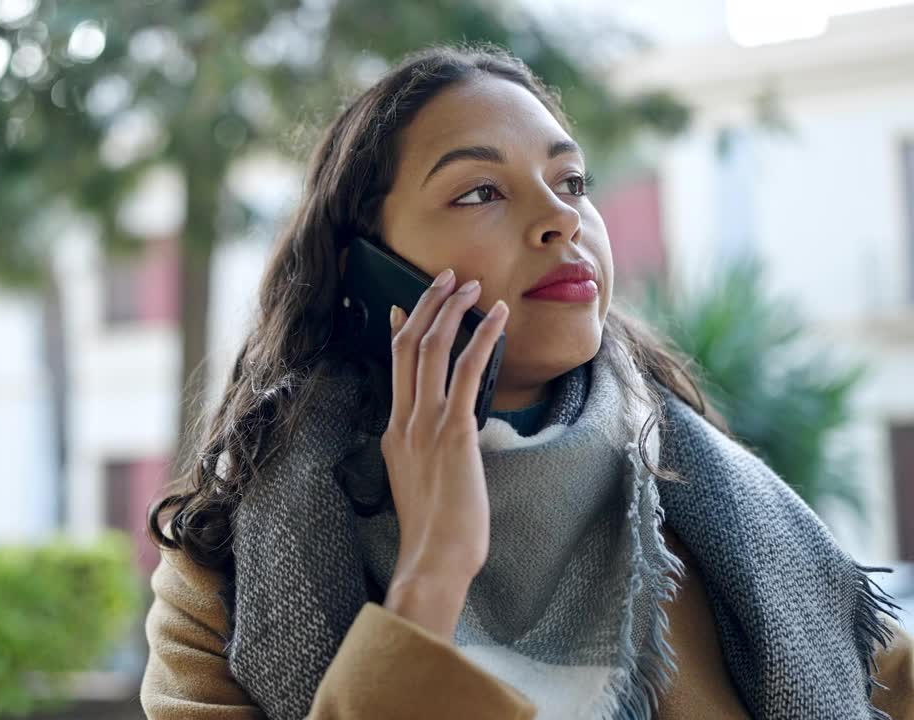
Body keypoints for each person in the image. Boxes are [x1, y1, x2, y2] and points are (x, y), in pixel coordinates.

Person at [139, 43, 914, 719]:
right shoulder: (224, 578)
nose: (562, 220)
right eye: (480, 191)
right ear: (366, 272)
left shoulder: (721, 517)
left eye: (572, 181)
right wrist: (432, 572)